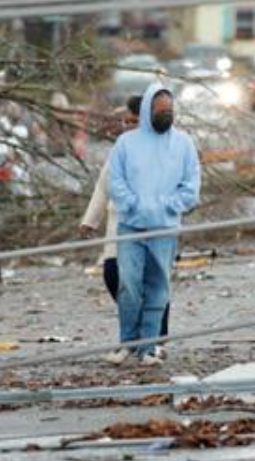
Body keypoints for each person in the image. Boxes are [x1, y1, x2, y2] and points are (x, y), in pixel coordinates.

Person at [106, 83, 200, 366]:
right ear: (148, 110)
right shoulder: (126, 143)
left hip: (165, 227)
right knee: (129, 285)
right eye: (160, 111)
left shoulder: (183, 143)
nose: (165, 115)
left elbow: (191, 186)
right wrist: (134, 205)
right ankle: (128, 342)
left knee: (159, 287)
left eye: (169, 111)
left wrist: (168, 206)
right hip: (131, 227)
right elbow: (116, 182)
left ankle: (148, 347)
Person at [80, 96, 171, 340]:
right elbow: (103, 185)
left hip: (151, 226)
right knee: (113, 274)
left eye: (134, 121)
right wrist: (90, 220)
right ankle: (135, 333)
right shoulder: (120, 149)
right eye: (126, 122)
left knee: (153, 282)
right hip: (117, 224)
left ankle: (156, 338)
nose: (129, 126)